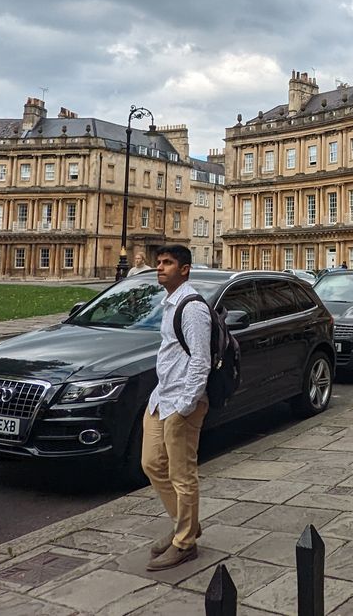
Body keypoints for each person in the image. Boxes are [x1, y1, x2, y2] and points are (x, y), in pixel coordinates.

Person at [141, 244, 211, 570]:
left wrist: (185, 406)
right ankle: (187, 524)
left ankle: (184, 543)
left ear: (184, 269)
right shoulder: (169, 303)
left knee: (182, 475)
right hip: (161, 398)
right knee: (152, 463)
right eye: (158, 262)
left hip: (182, 403)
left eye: (167, 263)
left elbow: (201, 361)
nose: (159, 267)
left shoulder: (192, 307)